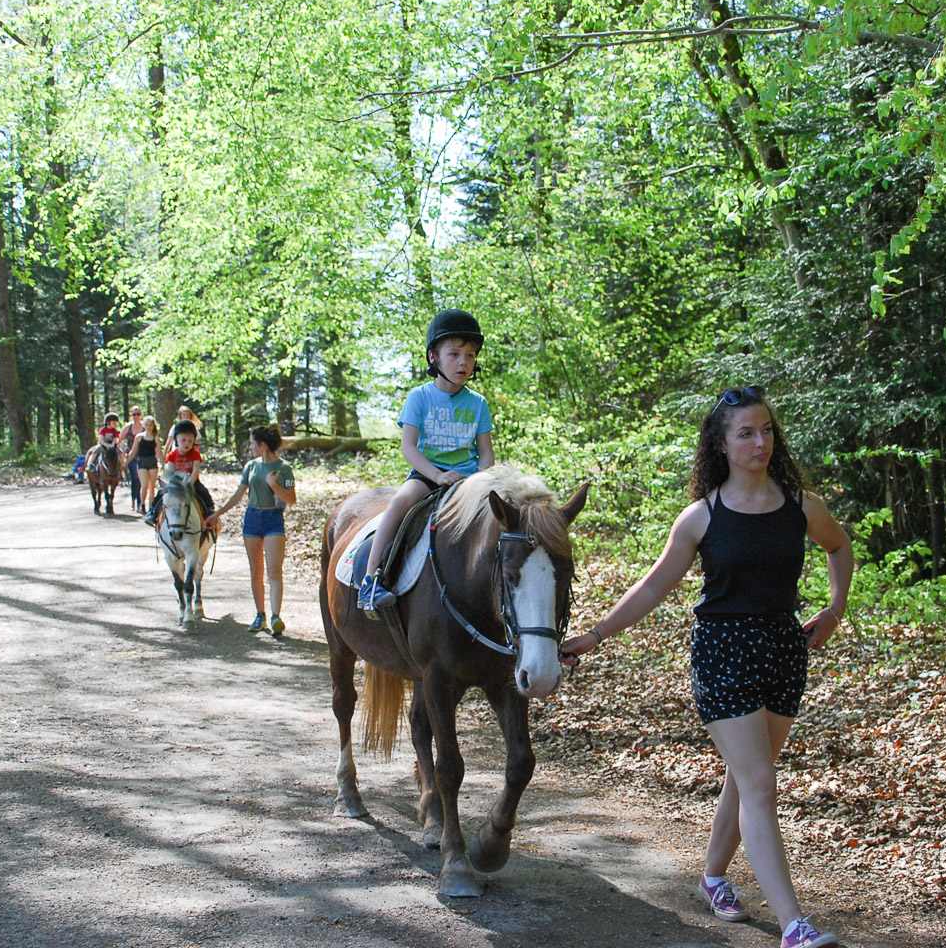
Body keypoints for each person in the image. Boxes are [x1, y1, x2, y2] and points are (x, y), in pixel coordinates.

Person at [560, 385, 853, 948]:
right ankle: (794, 925)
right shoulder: (701, 517)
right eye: (746, 433)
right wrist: (595, 636)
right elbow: (653, 586)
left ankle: (713, 877)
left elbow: (838, 548)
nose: (760, 442)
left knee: (746, 778)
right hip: (723, 651)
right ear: (721, 444)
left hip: (784, 648)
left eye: (766, 430)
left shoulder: (802, 506)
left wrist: (835, 607)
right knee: (760, 784)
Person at [357, 308, 494, 616]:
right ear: (434, 357)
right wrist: (436, 474)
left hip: (469, 479)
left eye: (470, 355)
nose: (463, 362)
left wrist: (481, 478)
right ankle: (371, 579)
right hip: (428, 475)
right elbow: (408, 447)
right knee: (399, 503)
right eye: (454, 354)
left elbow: (486, 452)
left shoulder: (478, 403)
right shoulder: (419, 397)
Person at [208, 425, 297, 635]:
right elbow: (238, 495)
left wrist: (274, 486)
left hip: (274, 519)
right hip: (252, 519)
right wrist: (217, 514)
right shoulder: (251, 466)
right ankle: (260, 615)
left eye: (252, 444)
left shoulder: (284, 468)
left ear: (262, 445)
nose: (251, 448)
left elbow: (292, 499)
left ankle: (276, 617)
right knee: (256, 572)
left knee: (274, 571)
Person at [144, 419, 214, 526]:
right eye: (183, 440)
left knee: (203, 492)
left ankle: (210, 511)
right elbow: (170, 471)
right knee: (160, 493)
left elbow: (195, 471)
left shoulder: (195, 454)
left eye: (190, 441)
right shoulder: (172, 455)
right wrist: (172, 483)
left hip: (191, 482)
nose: (187, 443)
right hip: (175, 483)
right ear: (176, 439)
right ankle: (153, 512)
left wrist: (189, 483)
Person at [129, 415, 162, 515]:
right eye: (147, 425)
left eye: (150, 425)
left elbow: (159, 452)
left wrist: (163, 464)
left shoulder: (155, 438)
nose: (149, 427)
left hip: (152, 461)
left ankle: (151, 506)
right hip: (142, 461)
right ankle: (142, 504)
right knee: (144, 485)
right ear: (144, 425)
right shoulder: (139, 437)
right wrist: (125, 463)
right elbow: (133, 451)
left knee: (152, 486)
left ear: (153, 426)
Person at [121, 406, 146, 512]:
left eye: (138, 414)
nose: (136, 416)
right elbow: (119, 439)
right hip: (131, 456)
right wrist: (123, 447)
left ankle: (140, 503)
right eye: (134, 414)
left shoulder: (145, 427)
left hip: (143, 456)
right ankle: (133, 501)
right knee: (135, 478)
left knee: (141, 480)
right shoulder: (128, 427)